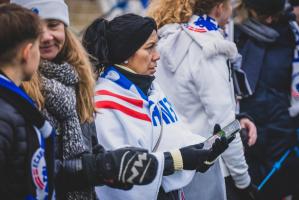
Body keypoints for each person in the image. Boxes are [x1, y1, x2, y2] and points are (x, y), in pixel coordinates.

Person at [0, 3, 161, 199]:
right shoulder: (15, 93)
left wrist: (115, 168)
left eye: (53, 25)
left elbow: (90, 146)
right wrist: (98, 168)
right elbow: (34, 170)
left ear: (65, 29)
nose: (46, 37)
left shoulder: (80, 81)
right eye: (36, 30)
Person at [82, 13, 232, 200]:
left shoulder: (150, 87)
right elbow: (121, 176)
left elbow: (173, 135)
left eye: (156, 45)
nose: (157, 56)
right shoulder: (105, 103)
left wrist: (204, 150)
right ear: (126, 54)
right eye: (150, 47)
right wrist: (179, 160)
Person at [147, 0, 258, 199]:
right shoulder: (209, 46)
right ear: (219, 8)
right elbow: (225, 124)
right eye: (229, 5)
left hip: (172, 165)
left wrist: (238, 117)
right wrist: (243, 181)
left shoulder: (166, 38)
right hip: (208, 168)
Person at [234, 0, 299, 198]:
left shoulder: (290, 31)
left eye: (275, 15)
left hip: (281, 126)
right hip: (246, 126)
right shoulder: (233, 32)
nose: (270, 20)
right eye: (264, 16)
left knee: (277, 187)